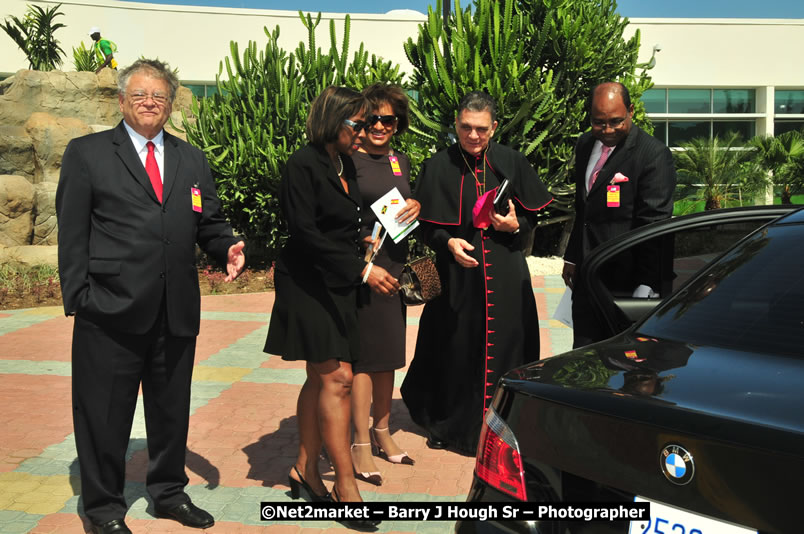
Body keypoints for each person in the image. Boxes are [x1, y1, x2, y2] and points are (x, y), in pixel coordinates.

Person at [56, 59, 245, 534]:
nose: (149, 103)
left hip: (175, 309)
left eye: (159, 96)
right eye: (139, 95)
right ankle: (103, 509)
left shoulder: (190, 158)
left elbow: (209, 222)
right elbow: (72, 231)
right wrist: (79, 297)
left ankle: (167, 494)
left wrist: (227, 247)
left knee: (170, 411)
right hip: (109, 309)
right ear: (121, 100)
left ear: (170, 103)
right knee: (104, 415)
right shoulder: (88, 153)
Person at [264, 86, 398, 528]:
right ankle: (345, 486)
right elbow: (304, 232)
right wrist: (361, 271)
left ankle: (304, 468)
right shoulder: (302, 165)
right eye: (356, 124)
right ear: (332, 121)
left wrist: (361, 239)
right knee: (338, 379)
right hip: (307, 284)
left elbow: (339, 221)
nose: (363, 132)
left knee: (319, 378)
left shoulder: (343, 164)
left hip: (335, 283)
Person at [400, 91, 553, 455]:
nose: (473, 136)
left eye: (481, 130)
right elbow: (425, 226)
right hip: (457, 276)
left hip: (505, 274)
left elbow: (532, 216)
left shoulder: (511, 162)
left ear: (494, 127)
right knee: (452, 349)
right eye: (466, 127)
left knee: (510, 345)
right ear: (456, 124)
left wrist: (516, 225)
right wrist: (448, 242)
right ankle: (447, 423)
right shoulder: (438, 166)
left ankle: (507, 422)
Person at [562, 82, 676, 348]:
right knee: (585, 357)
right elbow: (584, 209)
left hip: (627, 282)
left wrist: (646, 286)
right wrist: (573, 257)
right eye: (599, 122)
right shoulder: (585, 144)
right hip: (588, 278)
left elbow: (655, 226)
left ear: (631, 111)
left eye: (615, 121)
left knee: (625, 365)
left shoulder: (653, 155)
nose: (608, 130)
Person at [350, 83, 420, 486]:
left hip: (394, 265)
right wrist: (358, 243)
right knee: (364, 358)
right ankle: (360, 441)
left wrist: (417, 206)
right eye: (372, 118)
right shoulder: (348, 160)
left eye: (387, 119)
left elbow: (403, 203)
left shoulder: (401, 161)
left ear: (398, 124)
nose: (379, 125)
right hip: (364, 271)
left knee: (390, 354)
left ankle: (382, 430)